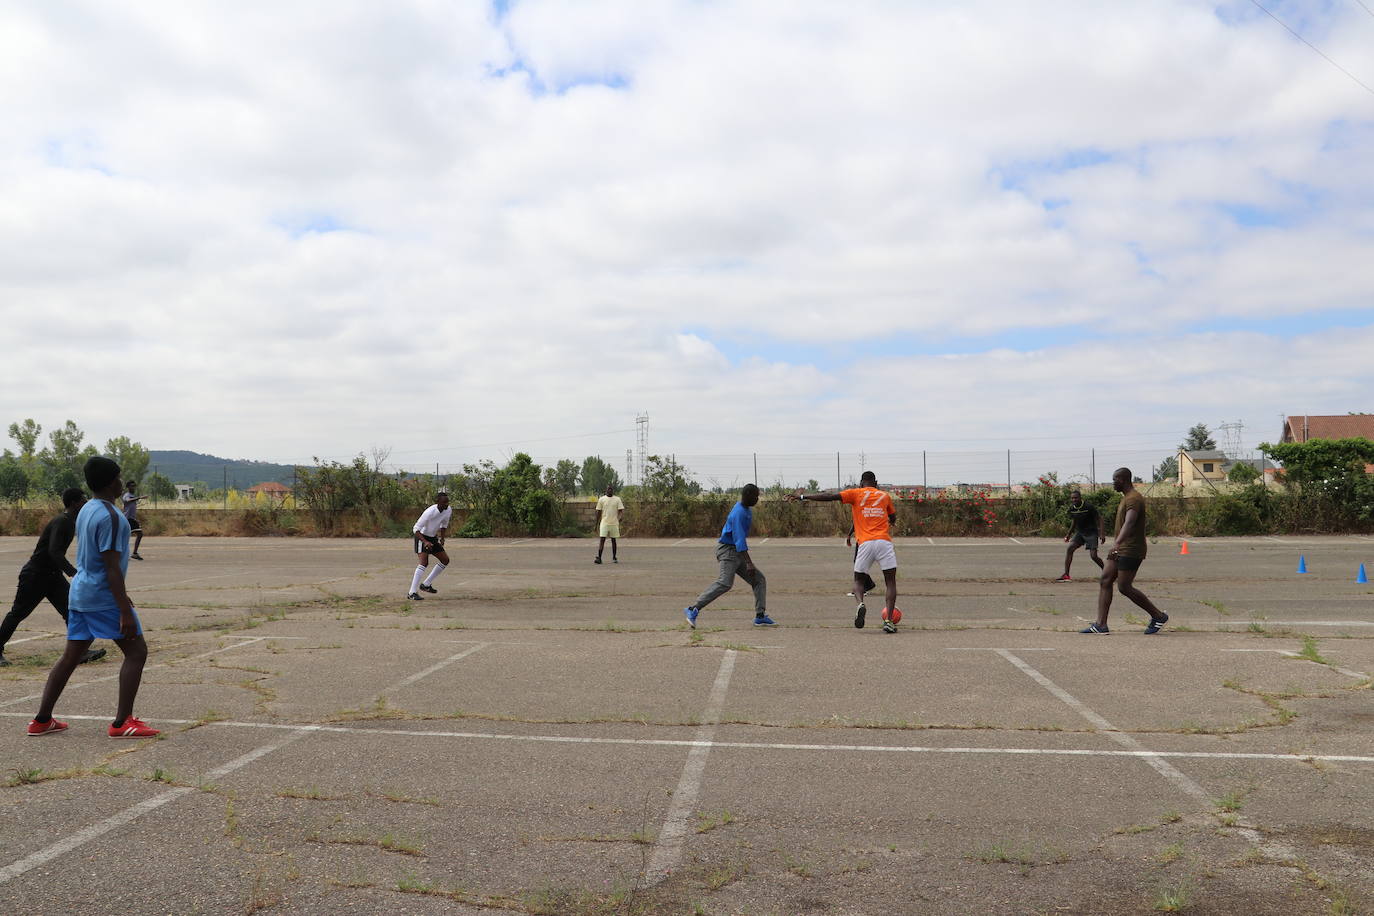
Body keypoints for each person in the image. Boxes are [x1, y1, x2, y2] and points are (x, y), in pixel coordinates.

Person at [28, 456, 159, 738]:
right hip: (102, 597)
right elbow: (111, 569)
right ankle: (122, 722)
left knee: (70, 657)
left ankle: (41, 720)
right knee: (137, 652)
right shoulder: (112, 517)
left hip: (81, 592)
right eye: (120, 477)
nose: (122, 481)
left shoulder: (87, 508)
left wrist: (122, 597)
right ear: (113, 482)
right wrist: (123, 607)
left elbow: (101, 563)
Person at [0, 488, 106, 667]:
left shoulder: (71, 522)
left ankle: (79, 652)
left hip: (52, 576)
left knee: (71, 611)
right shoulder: (62, 521)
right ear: (74, 503)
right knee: (18, 613)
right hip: (36, 574)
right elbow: (54, 550)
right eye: (83, 499)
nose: (86, 502)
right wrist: (73, 572)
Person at [789, 471, 900, 632]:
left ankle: (860, 603)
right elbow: (893, 516)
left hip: (865, 543)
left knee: (858, 581)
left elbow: (829, 496)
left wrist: (803, 497)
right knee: (890, 582)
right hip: (884, 542)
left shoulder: (855, 494)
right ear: (875, 483)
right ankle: (889, 620)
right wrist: (891, 521)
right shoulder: (885, 496)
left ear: (861, 483)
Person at [1081, 468, 1169, 635]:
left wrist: (1117, 543)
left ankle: (1158, 616)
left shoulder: (1134, 499)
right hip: (1121, 548)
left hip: (1131, 549)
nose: (1113, 482)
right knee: (1105, 580)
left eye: (1115, 479)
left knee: (1124, 587)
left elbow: (1129, 523)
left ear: (1122, 479)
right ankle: (1101, 625)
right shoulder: (1127, 498)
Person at [682, 484, 775, 628]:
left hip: (736, 551)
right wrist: (749, 563)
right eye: (756, 496)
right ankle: (692, 609)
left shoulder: (745, 509)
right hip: (728, 551)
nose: (757, 499)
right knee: (725, 582)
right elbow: (739, 540)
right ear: (748, 495)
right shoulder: (739, 513)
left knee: (759, 580)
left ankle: (760, 616)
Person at [407, 491, 452, 600]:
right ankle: (412, 592)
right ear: (438, 502)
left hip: (432, 538)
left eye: (447, 502)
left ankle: (426, 584)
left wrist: (442, 538)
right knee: (424, 563)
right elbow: (415, 529)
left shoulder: (448, 510)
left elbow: (444, 525)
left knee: (445, 560)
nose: (446, 505)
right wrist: (425, 542)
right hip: (421, 537)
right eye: (444, 502)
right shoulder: (429, 512)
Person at [1057, 490, 1104, 581]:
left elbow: (1100, 519)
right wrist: (1068, 535)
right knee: (1070, 549)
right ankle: (1066, 574)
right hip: (1080, 533)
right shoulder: (1072, 508)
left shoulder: (1088, 507)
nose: (1074, 499)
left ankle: (1106, 571)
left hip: (1091, 533)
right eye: (1072, 498)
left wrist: (1102, 533)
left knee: (1093, 556)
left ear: (1080, 498)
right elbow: (1074, 522)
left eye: (1076, 498)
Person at [593, 484, 625, 564]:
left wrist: (620, 517)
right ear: (606, 490)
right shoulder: (602, 499)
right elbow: (598, 512)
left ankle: (614, 557)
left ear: (613, 490)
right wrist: (596, 524)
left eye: (611, 489)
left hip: (614, 523)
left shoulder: (617, 499)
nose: (610, 490)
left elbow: (621, 510)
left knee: (613, 540)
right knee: (602, 540)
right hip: (604, 523)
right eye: (608, 489)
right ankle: (599, 557)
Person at [122, 480, 145, 560]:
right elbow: (127, 500)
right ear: (128, 487)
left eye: (134, 486)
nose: (133, 487)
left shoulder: (132, 495)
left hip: (132, 519)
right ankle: (126, 554)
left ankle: (134, 553)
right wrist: (139, 497)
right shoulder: (127, 495)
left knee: (139, 534)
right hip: (127, 519)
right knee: (126, 536)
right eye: (132, 486)